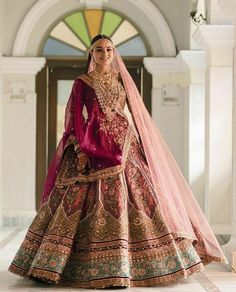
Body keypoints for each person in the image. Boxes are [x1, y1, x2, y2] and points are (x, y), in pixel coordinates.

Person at [8, 34, 227, 289]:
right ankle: (58, 263)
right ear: (92, 53)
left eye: (109, 49)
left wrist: (145, 145)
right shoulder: (82, 83)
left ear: (114, 53)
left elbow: (136, 114)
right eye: (99, 50)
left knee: (141, 198)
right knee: (76, 202)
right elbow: (75, 120)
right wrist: (80, 150)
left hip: (125, 146)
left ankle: (143, 263)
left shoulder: (123, 78)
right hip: (90, 145)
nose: (105, 54)